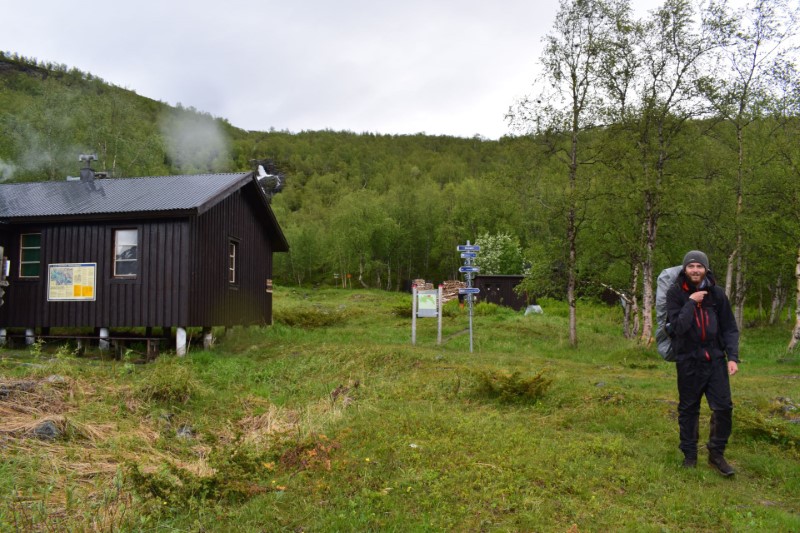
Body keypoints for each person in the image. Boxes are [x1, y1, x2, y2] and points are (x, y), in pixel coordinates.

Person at [665, 250, 740, 476]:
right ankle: (689, 455)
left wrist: (733, 357)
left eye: (699, 267)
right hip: (688, 361)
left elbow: (729, 328)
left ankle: (716, 454)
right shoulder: (676, 293)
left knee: (724, 407)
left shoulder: (716, 294)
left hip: (715, 361)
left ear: (706, 269)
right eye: (691, 266)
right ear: (685, 269)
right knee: (688, 409)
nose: (695, 270)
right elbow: (677, 328)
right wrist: (690, 302)